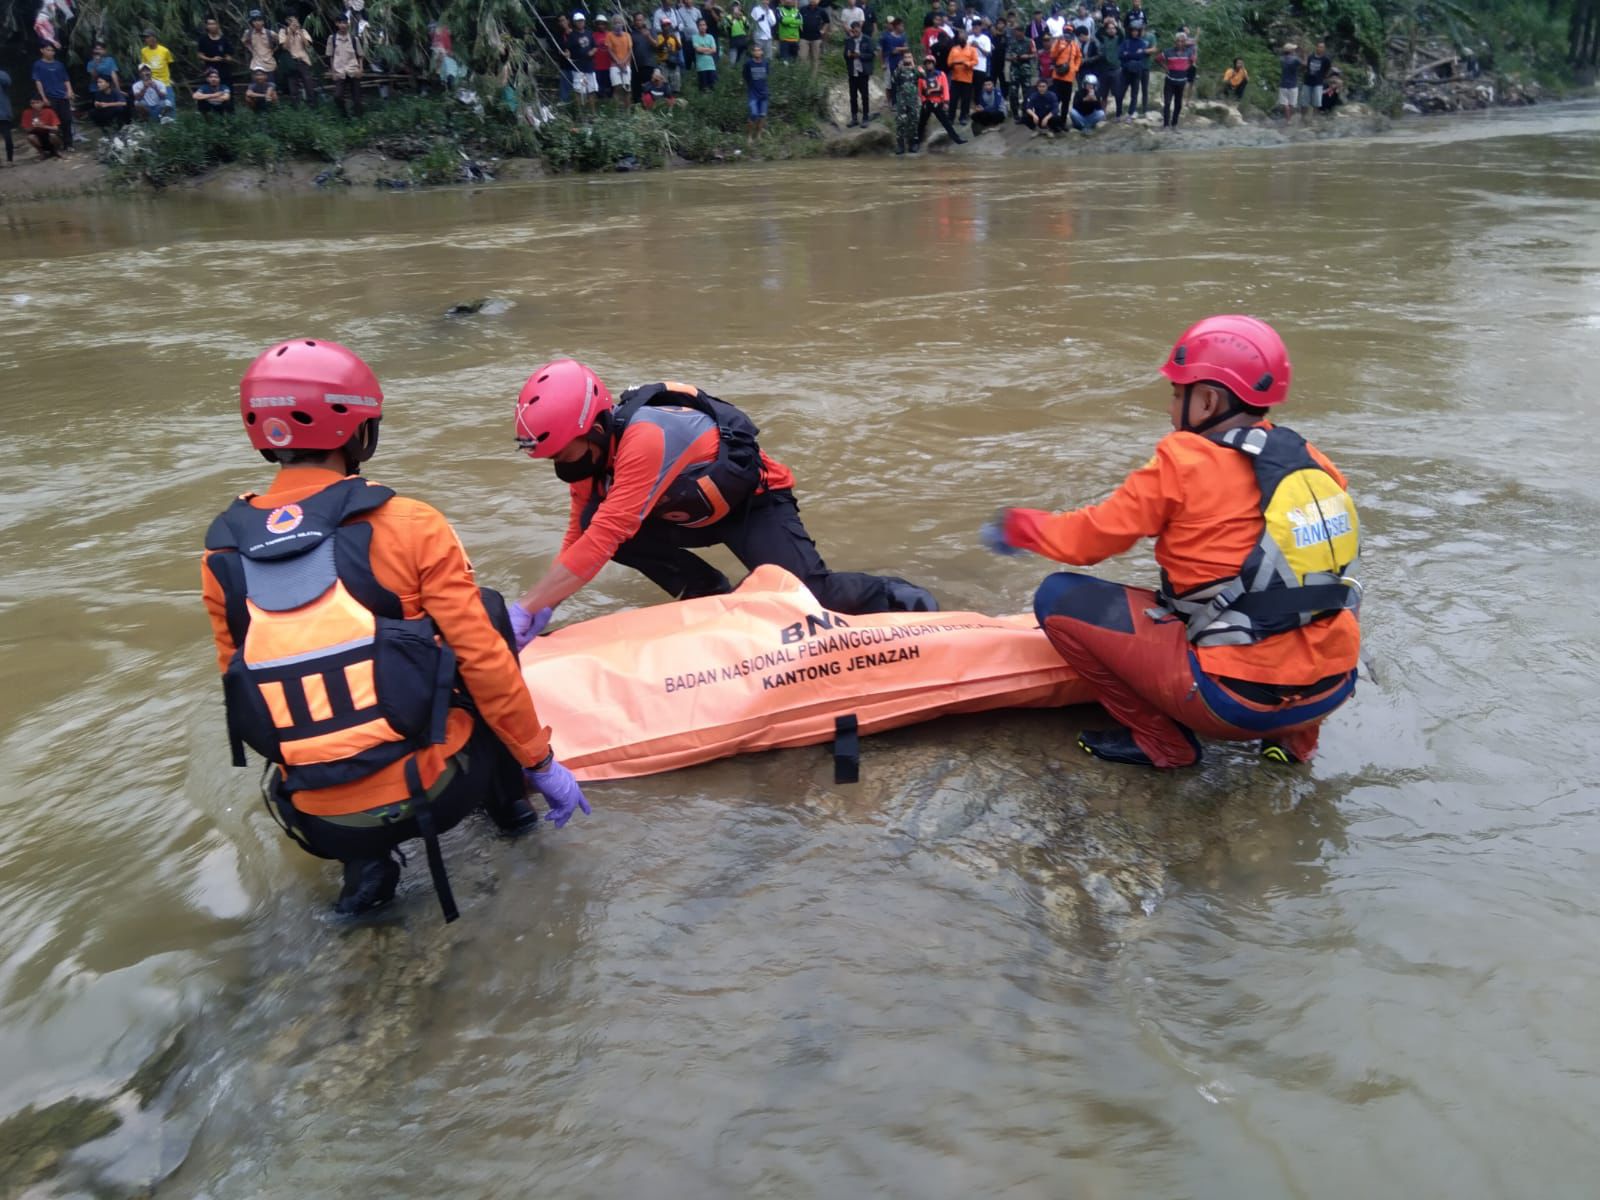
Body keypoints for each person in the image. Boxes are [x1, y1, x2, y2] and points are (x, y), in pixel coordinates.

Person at [203, 339, 589, 920]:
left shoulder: (222, 553)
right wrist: (541, 763)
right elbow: (484, 663)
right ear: (361, 431)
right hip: (436, 795)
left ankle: (366, 865)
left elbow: (244, 683)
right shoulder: (409, 523)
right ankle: (513, 813)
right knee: (482, 613)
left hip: (317, 819)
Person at [982, 315, 1361, 769]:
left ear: (1206, 400)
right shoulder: (1312, 460)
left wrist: (1020, 527)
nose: (1170, 408)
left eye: (1177, 394)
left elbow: (1087, 541)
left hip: (1234, 702)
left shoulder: (1182, 460)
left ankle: (1163, 744)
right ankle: (1295, 743)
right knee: (1304, 598)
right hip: (1333, 687)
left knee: (1058, 597)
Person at [511, 363, 939, 623]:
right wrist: (545, 606)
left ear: (597, 429)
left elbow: (605, 537)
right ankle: (710, 597)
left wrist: (527, 608)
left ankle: (904, 599)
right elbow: (579, 535)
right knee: (593, 525)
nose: (561, 464)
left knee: (812, 597)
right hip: (686, 513)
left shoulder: (644, 437)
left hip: (752, 503)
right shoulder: (590, 458)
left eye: (564, 452)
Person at [917, 53, 966, 145]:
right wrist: (923, 101)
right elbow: (920, 91)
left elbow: (946, 89)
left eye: (930, 63)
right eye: (927, 63)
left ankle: (957, 139)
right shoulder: (922, 77)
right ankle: (917, 142)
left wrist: (946, 102)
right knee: (921, 123)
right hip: (927, 103)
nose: (929, 65)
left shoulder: (940, 74)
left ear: (933, 64)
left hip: (938, 102)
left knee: (946, 122)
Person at [31, 44, 73, 150]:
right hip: (49, 97)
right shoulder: (38, 65)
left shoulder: (59, 64)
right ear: (42, 50)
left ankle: (69, 144)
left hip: (63, 96)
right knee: (52, 122)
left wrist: (69, 90)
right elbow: (38, 81)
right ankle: (54, 145)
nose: (51, 52)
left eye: (52, 50)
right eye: (48, 50)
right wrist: (43, 97)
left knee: (66, 120)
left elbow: (66, 79)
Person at [1155, 30, 1195, 128]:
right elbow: (1157, 59)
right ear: (1175, 42)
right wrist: (1165, 67)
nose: (1180, 43)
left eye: (1182, 41)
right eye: (1178, 41)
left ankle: (1174, 124)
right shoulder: (1168, 51)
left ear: (1185, 42)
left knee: (1178, 104)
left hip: (1181, 82)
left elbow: (1192, 61)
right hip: (1170, 81)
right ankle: (1165, 125)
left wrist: (1186, 67)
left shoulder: (1189, 52)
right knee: (1167, 102)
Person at [327, 14, 364, 116]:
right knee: (337, 96)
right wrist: (333, 72)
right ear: (336, 24)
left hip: (353, 70)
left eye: (345, 23)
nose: (343, 25)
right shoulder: (332, 38)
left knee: (357, 98)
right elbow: (331, 56)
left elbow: (360, 55)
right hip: (340, 72)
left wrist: (361, 69)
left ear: (348, 24)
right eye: (340, 23)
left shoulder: (353, 39)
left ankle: (358, 118)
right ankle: (345, 116)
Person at [280, 16, 317, 104]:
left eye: (295, 22)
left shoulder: (303, 31)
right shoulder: (283, 32)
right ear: (288, 24)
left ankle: (312, 104)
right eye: (292, 22)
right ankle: (296, 107)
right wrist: (289, 32)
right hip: (291, 62)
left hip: (303, 60)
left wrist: (299, 32)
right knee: (293, 86)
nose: (294, 24)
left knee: (308, 84)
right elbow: (284, 47)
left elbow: (307, 45)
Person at [844, 21, 875, 125]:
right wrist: (848, 54)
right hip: (852, 71)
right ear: (852, 30)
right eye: (854, 31)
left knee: (864, 95)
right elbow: (845, 55)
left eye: (857, 30)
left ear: (860, 29)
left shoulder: (867, 39)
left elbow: (871, 55)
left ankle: (865, 117)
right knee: (853, 96)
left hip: (863, 71)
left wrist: (860, 55)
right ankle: (854, 118)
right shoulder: (849, 41)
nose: (855, 32)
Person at [1118, 21, 1151, 118]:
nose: (1134, 32)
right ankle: (1118, 114)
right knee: (1120, 93)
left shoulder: (1142, 43)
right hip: (1125, 71)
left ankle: (1130, 114)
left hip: (1137, 71)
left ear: (1139, 31)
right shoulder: (1126, 42)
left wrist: (1128, 54)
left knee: (1134, 94)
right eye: (1133, 30)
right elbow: (1120, 55)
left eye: (1136, 30)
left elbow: (1141, 55)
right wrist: (1133, 55)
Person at [1005, 19, 1035, 117]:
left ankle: (1026, 113)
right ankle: (1015, 114)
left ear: (1022, 32)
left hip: (1026, 71)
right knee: (1013, 93)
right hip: (1014, 71)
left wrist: (1027, 56)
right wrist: (1012, 57)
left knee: (1027, 93)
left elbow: (1035, 55)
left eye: (1017, 31)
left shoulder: (1029, 41)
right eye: (1014, 31)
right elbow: (1006, 56)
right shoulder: (1012, 42)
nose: (1015, 33)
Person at [945, 31, 977, 124]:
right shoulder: (954, 49)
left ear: (966, 39)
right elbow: (949, 62)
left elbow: (975, 61)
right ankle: (951, 118)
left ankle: (963, 117)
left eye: (963, 38)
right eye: (960, 38)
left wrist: (967, 63)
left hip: (967, 78)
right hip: (955, 78)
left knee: (965, 99)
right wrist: (955, 63)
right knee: (953, 99)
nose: (961, 39)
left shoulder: (972, 49)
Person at [566, 13, 598, 107]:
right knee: (579, 90)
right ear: (575, 22)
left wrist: (592, 51)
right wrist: (567, 53)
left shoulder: (589, 33)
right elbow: (568, 48)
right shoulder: (572, 35)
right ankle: (581, 114)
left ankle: (593, 113)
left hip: (589, 66)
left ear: (584, 21)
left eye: (582, 21)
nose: (580, 23)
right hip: (578, 67)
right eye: (578, 21)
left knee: (591, 89)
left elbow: (595, 46)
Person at [605, 16, 635, 107]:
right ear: (613, 24)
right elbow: (610, 50)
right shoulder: (609, 35)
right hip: (614, 65)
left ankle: (627, 111)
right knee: (617, 87)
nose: (617, 24)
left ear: (623, 23)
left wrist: (624, 62)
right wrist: (618, 62)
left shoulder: (627, 35)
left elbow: (630, 50)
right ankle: (617, 110)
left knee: (627, 88)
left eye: (619, 22)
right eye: (615, 23)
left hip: (626, 65)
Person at [242, 9, 278, 86]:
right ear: (252, 22)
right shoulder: (248, 33)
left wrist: (273, 51)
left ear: (263, 21)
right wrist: (251, 50)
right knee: (256, 88)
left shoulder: (271, 34)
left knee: (271, 87)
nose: (257, 23)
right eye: (254, 21)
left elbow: (279, 43)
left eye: (259, 20)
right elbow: (244, 42)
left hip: (269, 64)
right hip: (256, 64)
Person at [893, 50, 919, 152]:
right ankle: (900, 145)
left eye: (909, 57)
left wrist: (913, 67)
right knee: (901, 122)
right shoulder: (899, 70)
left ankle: (913, 144)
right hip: (902, 100)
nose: (907, 59)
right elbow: (893, 80)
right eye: (906, 57)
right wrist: (899, 68)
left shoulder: (916, 69)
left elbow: (923, 76)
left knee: (913, 122)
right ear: (903, 59)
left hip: (913, 100)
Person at [742, 41, 770, 140]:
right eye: (755, 50)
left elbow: (767, 74)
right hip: (753, 93)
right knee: (753, 114)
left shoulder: (765, 62)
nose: (757, 52)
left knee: (762, 115)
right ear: (753, 53)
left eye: (759, 50)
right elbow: (745, 75)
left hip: (764, 93)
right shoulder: (748, 63)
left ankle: (758, 134)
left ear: (762, 52)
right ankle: (749, 136)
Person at [1047, 31, 1079, 112]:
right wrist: (1058, 41)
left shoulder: (1075, 45)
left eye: (1070, 33)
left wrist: (1076, 67)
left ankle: (1063, 121)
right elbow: (1052, 55)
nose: (1067, 35)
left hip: (1069, 77)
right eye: (1066, 33)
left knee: (1066, 100)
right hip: (1058, 75)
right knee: (1055, 99)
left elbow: (1079, 57)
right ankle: (1053, 118)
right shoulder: (1058, 43)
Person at [1302, 41, 1332, 118]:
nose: (1320, 48)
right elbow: (1306, 67)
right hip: (1307, 82)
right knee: (1305, 102)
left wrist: (1324, 76)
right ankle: (1303, 118)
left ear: (1324, 49)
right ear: (1316, 47)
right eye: (1319, 47)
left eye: (1322, 47)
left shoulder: (1326, 59)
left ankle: (1314, 119)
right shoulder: (1310, 57)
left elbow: (1328, 69)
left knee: (1317, 103)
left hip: (1318, 83)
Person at [798, 0, 829, 70]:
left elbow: (827, 22)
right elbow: (797, 20)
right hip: (804, 38)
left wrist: (823, 30)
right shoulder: (802, 9)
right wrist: (800, 27)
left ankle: (813, 79)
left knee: (815, 59)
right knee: (802, 58)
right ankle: (802, 78)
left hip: (816, 38)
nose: (813, 0)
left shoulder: (821, 11)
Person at [880, 16, 909, 93]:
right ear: (897, 26)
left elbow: (906, 48)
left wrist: (898, 49)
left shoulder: (903, 36)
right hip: (890, 63)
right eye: (901, 26)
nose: (903, 28)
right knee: (890, 83)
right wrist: (901, 49)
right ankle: (890, 101)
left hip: (901, 62)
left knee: (901, 82)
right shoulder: (887, 37)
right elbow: (892, 51)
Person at [591, 14, 615, 102]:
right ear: (596, 25)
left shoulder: (611, 35)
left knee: (610, 87)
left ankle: (610, 104)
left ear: (606, 24)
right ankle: (601, 104)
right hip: (597, 66)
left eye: (603, 24)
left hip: (609, 65)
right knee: (599, 88)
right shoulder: (593, 35)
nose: (601, 26)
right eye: (599, 24)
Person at [655, 20, 683, 93]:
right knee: (665, 82)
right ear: (662, 27)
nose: (666, 27)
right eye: (664, 25)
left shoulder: (673, 36)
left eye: (668, 25)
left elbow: (679, 47)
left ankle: (675, 96)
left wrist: (675, 38)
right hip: (663, 62)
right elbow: (658, 49)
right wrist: (666, 39)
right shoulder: (659, 37)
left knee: (676, 81)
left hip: (673, 62)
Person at [1277, 42, 1300, 122]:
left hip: (1283, 84)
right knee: (1292, 104)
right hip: (1293, 84)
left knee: (1285, 104)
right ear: (1291, 50)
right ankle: (1290, 119)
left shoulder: (1281, 59)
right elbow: (1303, 64)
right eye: (1293, 49)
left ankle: (1288, 120)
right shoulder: (1295, 59)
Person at [0, 70, 12, 166]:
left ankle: (10, 160)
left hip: (3, 112)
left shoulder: (2, 74)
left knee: (7, 137)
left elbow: (8, 82)